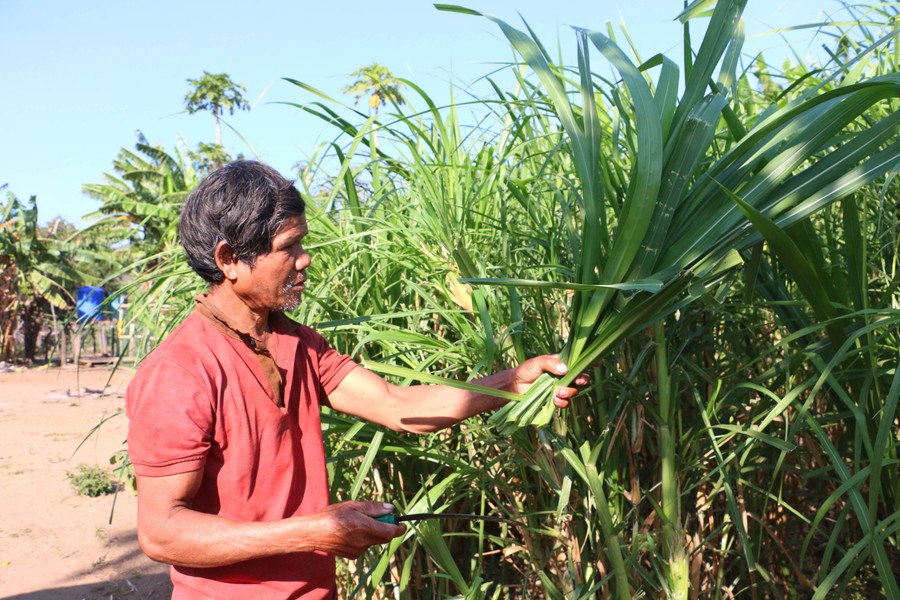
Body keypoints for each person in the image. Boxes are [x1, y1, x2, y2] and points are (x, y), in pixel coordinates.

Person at [125, 161, 586, 599]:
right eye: (289, 247)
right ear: (229, 259)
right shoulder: (180, 372)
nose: (305, 261)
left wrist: (509, 385)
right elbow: (163, 533)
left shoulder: (296, 342)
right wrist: (313, 531)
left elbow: (396, 405)